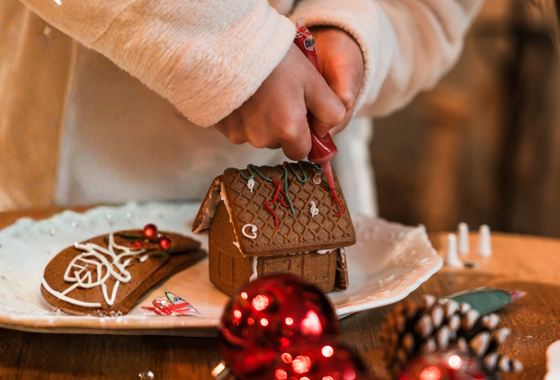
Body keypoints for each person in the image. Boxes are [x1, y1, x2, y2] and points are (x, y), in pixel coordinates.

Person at [0, 0, 484, 215]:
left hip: (318, 236)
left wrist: (354, 31)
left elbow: (430, 7)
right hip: (61, 182)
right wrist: (237, 49)